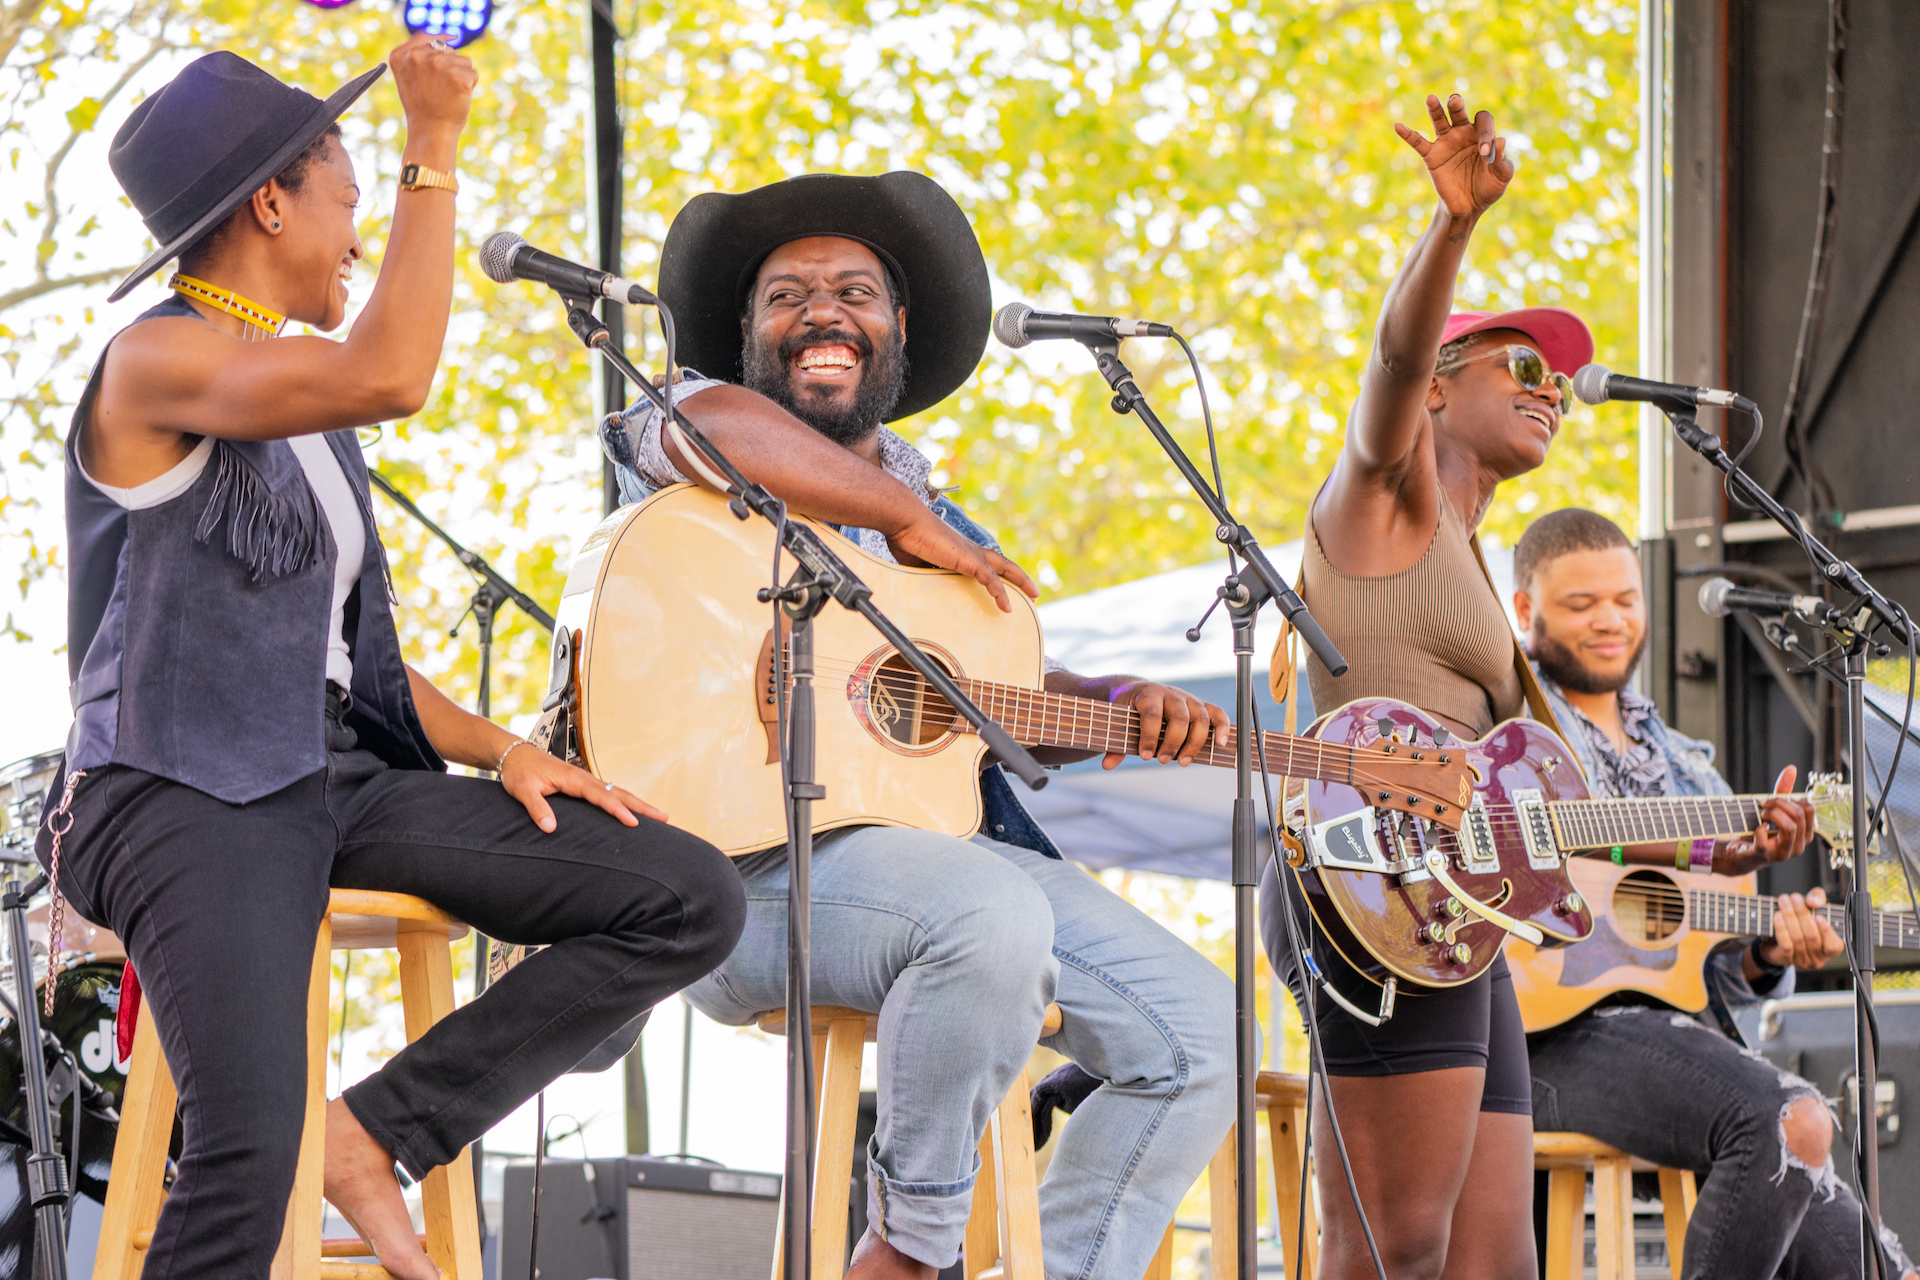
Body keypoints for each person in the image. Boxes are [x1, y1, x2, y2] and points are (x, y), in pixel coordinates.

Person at [44, 44, 750, 1280]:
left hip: (326, 772)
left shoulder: (295, 403)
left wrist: (508, 746)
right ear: (272, 200)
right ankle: (303, 1147)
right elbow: (395, 371)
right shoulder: (151, 363)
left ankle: (376, 1130)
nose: (362, 228)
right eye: (352, 193)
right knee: (247, 1155)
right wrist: (435, 145)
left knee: (685, 894)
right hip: (179, 783)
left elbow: (342, 664)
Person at [599, 170, 1238, 1280]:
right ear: (745, 336)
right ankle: (908, 1247)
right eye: (786, 295)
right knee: (989, 915)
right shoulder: (696, 449)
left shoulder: (948, 530)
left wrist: (1123, 708)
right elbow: (690, 421)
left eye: (855, 291)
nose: (823, 314)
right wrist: (896, 517)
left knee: (1204, 1032)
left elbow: (1003, 689)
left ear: (897, 332)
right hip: (733, 874)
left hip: (944, 862)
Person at [1255, 92, 1596, 1280]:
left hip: (1457, 906)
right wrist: (1450, 230)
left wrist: (1718, 842)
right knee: (1392, 1242)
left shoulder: (1486, 572)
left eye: (1562, 378)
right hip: (1364, 879)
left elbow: (1528, 801)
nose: (1551, 384)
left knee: (1492, 1257)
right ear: (1444, 386)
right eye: (1522, 362)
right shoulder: (1383, 503)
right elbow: (1390, 364)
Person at [1511, 508, 1917, 1280]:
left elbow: (1716, 971)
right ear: (1525, 610)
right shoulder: (1519, 733)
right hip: (1543, 1032)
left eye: (1626, 599)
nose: (1611, 620)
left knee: (1883, 1272)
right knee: (1789, 1120)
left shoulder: (1689, 767)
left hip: (1675, 1040)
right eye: (1580, 603)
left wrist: (1769, 953)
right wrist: (1696, 848)